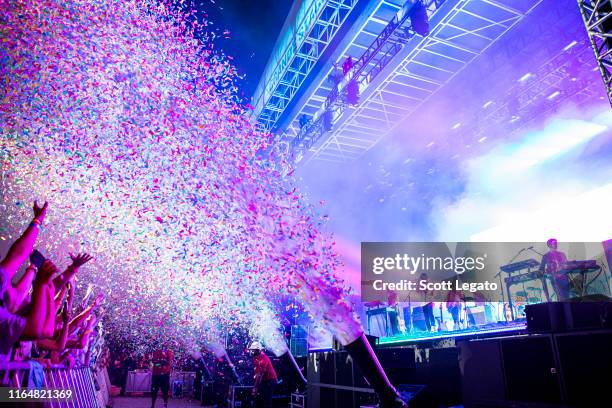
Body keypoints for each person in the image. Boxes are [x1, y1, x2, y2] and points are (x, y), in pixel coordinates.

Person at [249, 341, 277, 408]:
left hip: (270, 381)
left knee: (266, 401)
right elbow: (257, 372)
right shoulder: (256, 357)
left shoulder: (263, 359)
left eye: (253, 350)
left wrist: (255, 387)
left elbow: (260, 375)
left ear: (258, 350)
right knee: (260, 400)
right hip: (265, 380)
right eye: (251, 350)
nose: (252, 352)